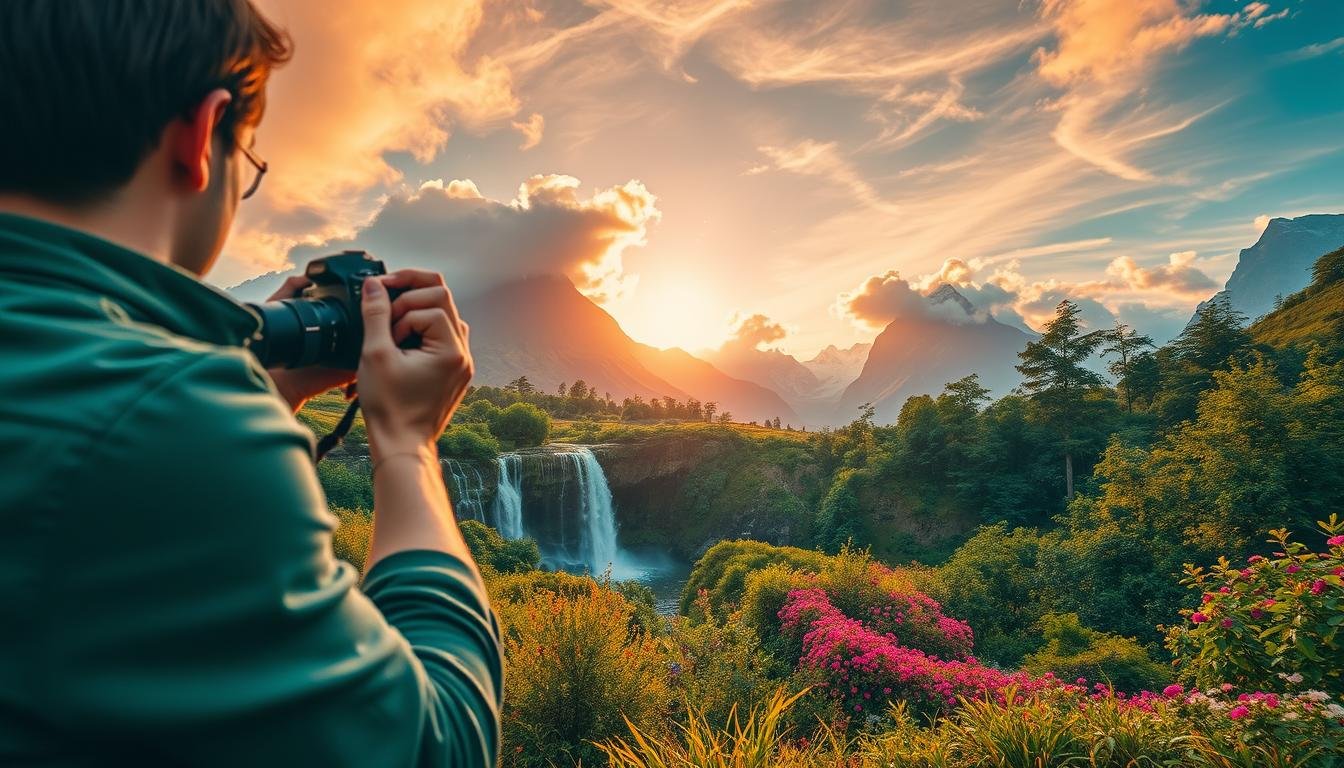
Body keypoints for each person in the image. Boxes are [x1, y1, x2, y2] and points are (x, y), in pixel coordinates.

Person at [0, 2, 502, 766]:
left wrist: (271, 384)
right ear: (204, 134)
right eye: (253, 167)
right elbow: (438, 746)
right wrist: (406, 445)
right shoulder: (167, 419)